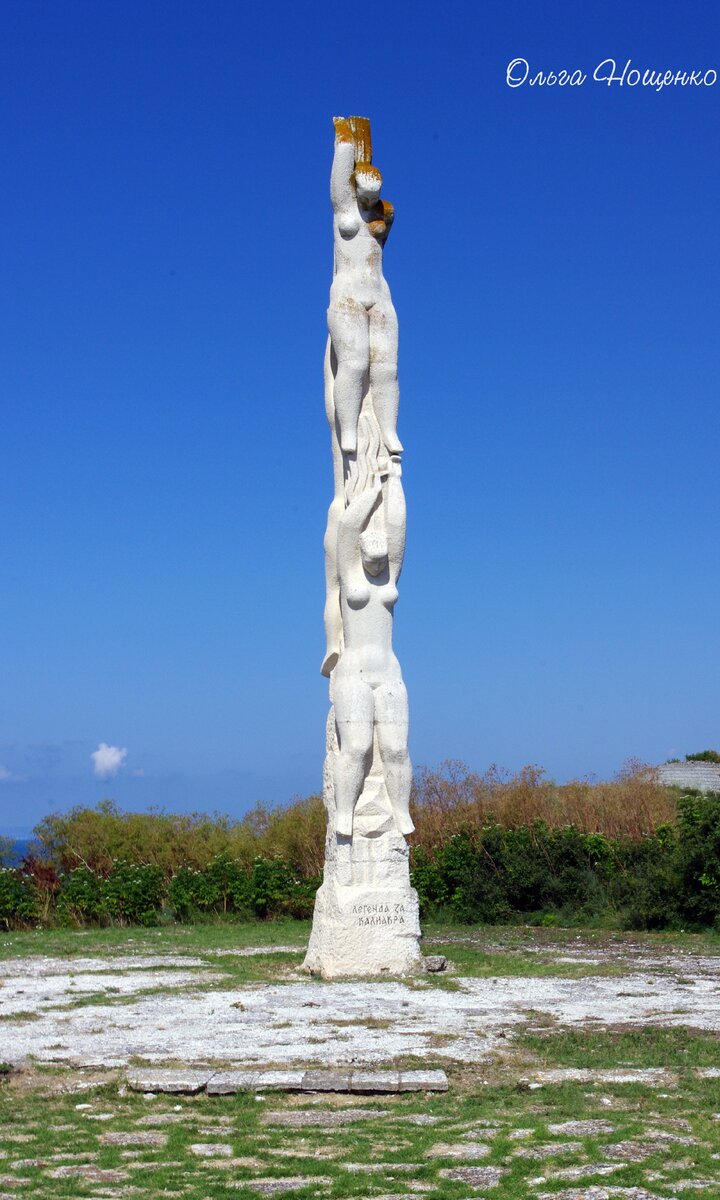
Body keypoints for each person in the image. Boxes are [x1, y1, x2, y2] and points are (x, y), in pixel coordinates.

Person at [330, 457, 413, 838]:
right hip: (354, 674)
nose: (378, 566)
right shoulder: (350, 577)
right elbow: (347, 529)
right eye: (372, 561)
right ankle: (344, 813)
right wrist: (374, 489)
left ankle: (400, 811)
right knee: (359, 748)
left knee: (396, 750)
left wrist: (394, 481)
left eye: (382, 562)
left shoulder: (389, 577)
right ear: (362, 555)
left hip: (389, 672)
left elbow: (397, 529)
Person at [327, 117, 402, 458]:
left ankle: (388, 431)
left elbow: (389, 212)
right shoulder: (344, 206)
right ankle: (350, 431)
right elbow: (343, 161)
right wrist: (347, 134)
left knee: (386, 368)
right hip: (348, 298)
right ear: (354, 187)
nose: (368, 201)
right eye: (364, 194)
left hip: (379, 295)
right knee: (355, 364)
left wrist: (382, 213)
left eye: (374, 197)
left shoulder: (381, 215)